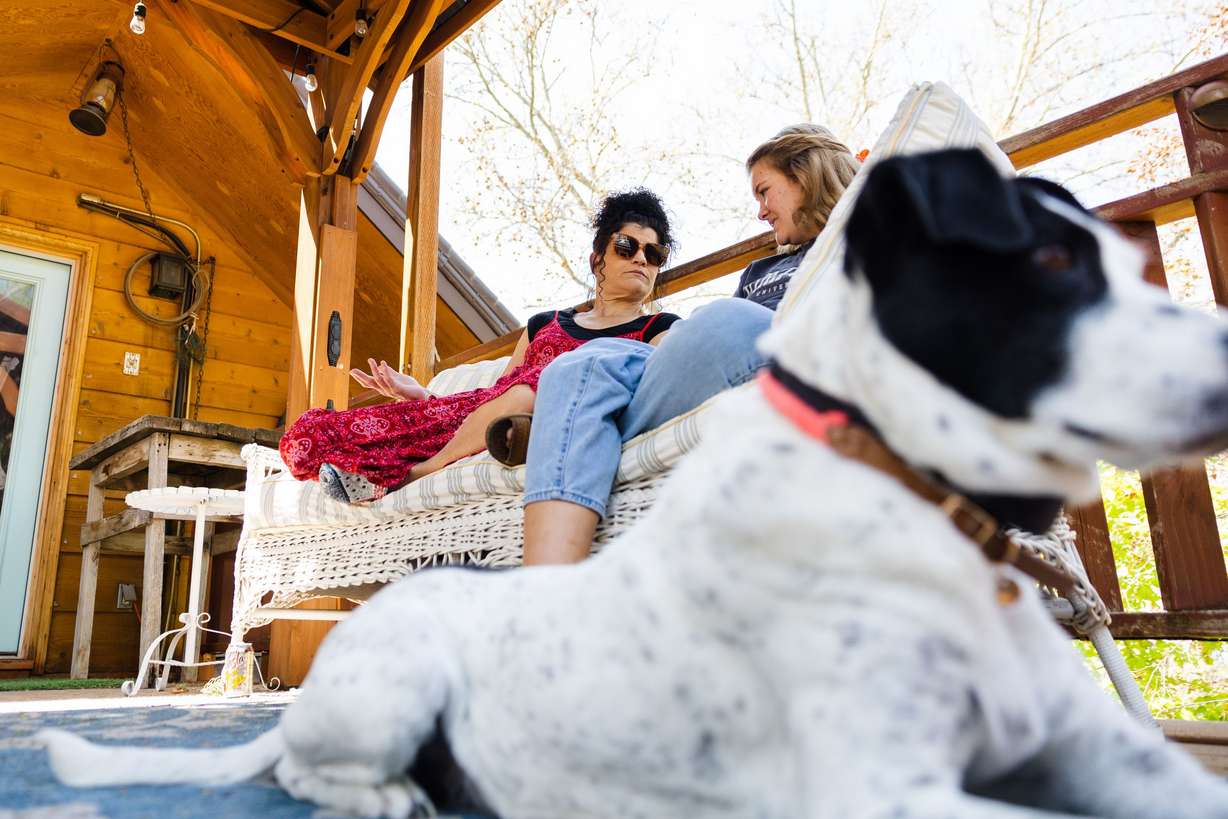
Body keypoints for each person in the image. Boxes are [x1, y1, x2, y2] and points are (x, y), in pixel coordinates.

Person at [515, 124, 860, 564]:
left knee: (725, 319)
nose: (761, 212)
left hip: (775, 347)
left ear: (805, 177)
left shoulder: (860, 237)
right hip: (718, 351)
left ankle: (562, 429)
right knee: (578, 365)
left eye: (764, 191)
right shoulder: (759, 271)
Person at [279, 188, 682, 504]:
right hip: (483, 414)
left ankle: (415, 474)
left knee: (540, 383)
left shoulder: (659, 329)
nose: (642, 259)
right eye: (627, 247)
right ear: (599, 261)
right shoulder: (546, 324)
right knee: (306, 436)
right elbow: (496, 393)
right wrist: (424, 398)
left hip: (541, 415)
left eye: (654, 253)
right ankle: (376, 471)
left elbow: (664, 386)